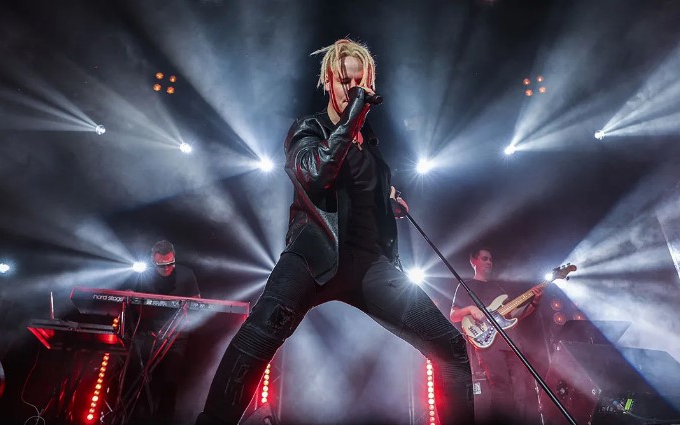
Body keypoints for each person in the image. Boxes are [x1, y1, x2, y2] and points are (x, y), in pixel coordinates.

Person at [195, 38, 474, 425]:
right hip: (315, 255)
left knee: (451, 346)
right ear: (328, 80)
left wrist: (387, 201)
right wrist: (353, 116)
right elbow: (316, 174)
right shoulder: (308, 129)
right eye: (346, 82)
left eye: (361, 84)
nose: (353, 91)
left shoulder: (371, 146)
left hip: (370, 264)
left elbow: (361, 194)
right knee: (258, 335)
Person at [450, 247, 543, 424]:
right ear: (473, 261)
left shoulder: (498, 288)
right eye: (485, 258)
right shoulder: (466, 286)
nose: (489, 262)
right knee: (502, 390)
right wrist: (470, 308)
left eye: (491, 259)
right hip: (489, 344)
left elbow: (515, 315)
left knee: (523, 391)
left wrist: (535, 302)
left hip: (511, 343)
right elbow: (453, 315)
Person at [127, 240, 200, 425]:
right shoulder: (144, 276)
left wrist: (190, 314)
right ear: (153, 262)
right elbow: (131, 299)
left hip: (176, 336)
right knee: (138, 377)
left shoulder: (186, 274)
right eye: (162, 265)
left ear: (174, 258)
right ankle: (137, 418)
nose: (167, 268)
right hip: (147, 333)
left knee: (170, 381)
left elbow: (198, 303)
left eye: (170, 263)